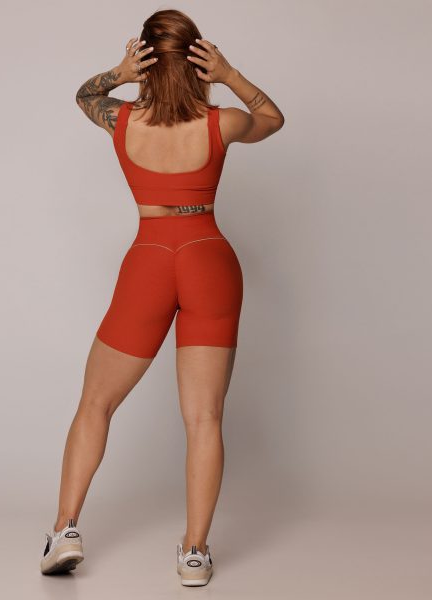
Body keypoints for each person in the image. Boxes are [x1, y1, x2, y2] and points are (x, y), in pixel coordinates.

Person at [40, 9, 284, 586]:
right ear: (198, 60)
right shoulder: (221, 122)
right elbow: (272, 118)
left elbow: (83, 95)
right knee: (204, 418)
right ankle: (194, 554)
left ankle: (64, 531)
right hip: (208, 257)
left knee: (95, 403)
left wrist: (120, 73)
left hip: (150, 257)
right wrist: (228, 73)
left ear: (146, 61)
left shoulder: (121, 120)